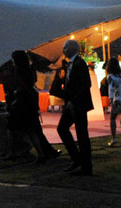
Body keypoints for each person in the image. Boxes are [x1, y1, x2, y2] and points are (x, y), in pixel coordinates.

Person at [51, 40, 93, 176]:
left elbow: (86, 84)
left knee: (81, 135)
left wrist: (73, 100)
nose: (63, 50)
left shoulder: (80, 64)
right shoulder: (68, 64)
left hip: (78, 104)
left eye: (65, 47)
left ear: (72, 49)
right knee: (62, 129)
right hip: (71, 103)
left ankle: (85, 166)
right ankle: (77, 159)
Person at [6, 50, 57, 162]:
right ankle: (41, 152)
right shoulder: (29, 70)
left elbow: (22, 87)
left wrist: (16, 95)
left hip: (23, 102)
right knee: (32, 129)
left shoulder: (20, 72)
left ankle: (16, 152)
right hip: (30, 101)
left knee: (17, 128)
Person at [103, 58, 121, 148]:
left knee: (112, 119)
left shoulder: (110, 76)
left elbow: (111, 89)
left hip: (118, 100)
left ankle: (114, 138)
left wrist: (111, 99)